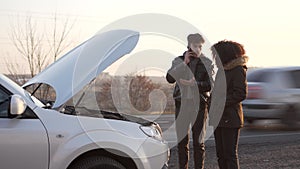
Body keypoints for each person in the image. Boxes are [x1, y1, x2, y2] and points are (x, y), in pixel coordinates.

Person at [166, 33, 213, 169]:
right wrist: (184, 63)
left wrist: (194, 84)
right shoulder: (178, 60)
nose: (198, 49)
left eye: (200, 46)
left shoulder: (207, 62)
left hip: (199, 105)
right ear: (188, 46)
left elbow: (210, 85)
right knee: (182, 142)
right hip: (182, 105)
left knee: (199, 143)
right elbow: (169, 78)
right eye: (195, 46)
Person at [210, 40, 248, 169]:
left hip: (230, 118)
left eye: (216, 55)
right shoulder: (222, 70)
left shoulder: (238, 70)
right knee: (220, 154)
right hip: (218, 118)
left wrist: (220, 102)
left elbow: (240, 94)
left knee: (229, 155)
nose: (214, 58)